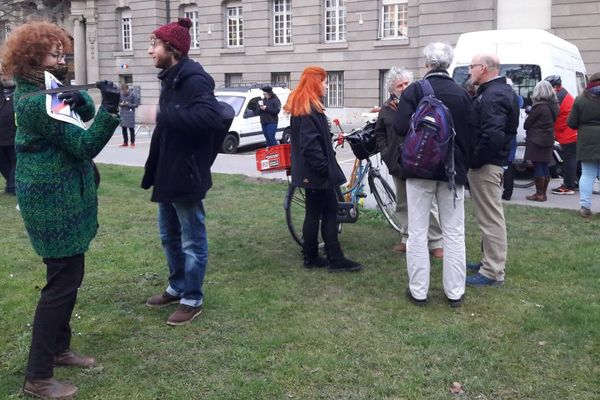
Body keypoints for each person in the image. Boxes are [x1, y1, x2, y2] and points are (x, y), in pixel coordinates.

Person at [0, 20, 120, 399]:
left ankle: (60, 349)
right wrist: (110, 110)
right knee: (60, 285)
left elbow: (76, 118)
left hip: (66, 196)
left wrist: (83, 101)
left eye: (63, 51)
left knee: (69, 276)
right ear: (34, 57)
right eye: (55, 53)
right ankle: (38, 376)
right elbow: (84, 145)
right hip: (53, 203)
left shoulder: (47, 88)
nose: (62, 57)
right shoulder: (34, 102)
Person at [142, 18, 226, 325]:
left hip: (187, 172)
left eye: (155, 45)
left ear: (172, 49)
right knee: (169, 235)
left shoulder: (194, 78)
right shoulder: (171, 77)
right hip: (168, 170)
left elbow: (209, 116)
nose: (151, 51)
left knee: (191, 238)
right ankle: (177, 286)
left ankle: (192, 297)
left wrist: (164, 113)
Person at [393, 42, 474, 307]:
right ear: (448, 64)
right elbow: (470, 136)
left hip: (419, 169)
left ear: (427, 63)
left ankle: (418, 291)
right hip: (452, 171)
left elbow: (400, 127)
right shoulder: (461, 94)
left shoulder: (415, 90)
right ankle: (454, 292)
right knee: (454, 232)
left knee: (417, 231)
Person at [284, 66, 362, 272]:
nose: (327, 85)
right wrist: (325, 169)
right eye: (324, 81)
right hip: (317, 173)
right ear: (314, 83)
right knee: (329, 212)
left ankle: (311, 257)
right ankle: (335, 259)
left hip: (311, 173)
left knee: (313, 213)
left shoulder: (306, 106)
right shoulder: (308, 108)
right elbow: (310, 145)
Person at [374, 66, 443, 258]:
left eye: (406, 83)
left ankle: (436, 241)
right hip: (398, 162)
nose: (404, 87)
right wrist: (387, 153)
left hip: (421, 161)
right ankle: (406, 237)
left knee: (428, 203)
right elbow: (380, 132)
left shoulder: (424, 103)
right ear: (392, 89)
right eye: (399, 85)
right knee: (403, 202)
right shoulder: (387, 108)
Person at [466, 53, 520, 287]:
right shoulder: (496, 92)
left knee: (491, 217)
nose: (469, 71)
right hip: (491, 162)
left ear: (484, 68)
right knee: (488, 215)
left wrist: (476, 160)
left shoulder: (494, 95)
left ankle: (493, 271)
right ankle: (487, 261)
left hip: (487, 165)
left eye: (472, 67)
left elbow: (492, 135)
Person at [567, 72, 600, 218]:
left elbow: (572, 123)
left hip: (587, 141)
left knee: (587, 174)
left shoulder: (580, 100)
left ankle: (585, 207)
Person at [523, 80, 559, 202]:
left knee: (538, 164)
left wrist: (529, 113)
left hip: (536, 139)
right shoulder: (554, 105)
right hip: (548, 138)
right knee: (544, 165)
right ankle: (543, 193)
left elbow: (527, 124)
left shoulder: (539, 107)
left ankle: (539, 194)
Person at [545, 75, 579, 195]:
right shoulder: (562, 93)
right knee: (574, 159)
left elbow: (551, 113)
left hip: (568, 133)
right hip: (571, 132)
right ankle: (575, 183)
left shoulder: (558, 96)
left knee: (569, 160)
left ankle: (568, 186)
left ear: (554, 86)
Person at [0, 65, 16, 195]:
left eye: (7, 71)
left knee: (15, 161)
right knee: (4, 162)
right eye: (2, 73)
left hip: (14, 134)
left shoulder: (18, 90)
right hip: (1, 135)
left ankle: (12, 186)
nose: (5, 75)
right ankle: (11, 184)